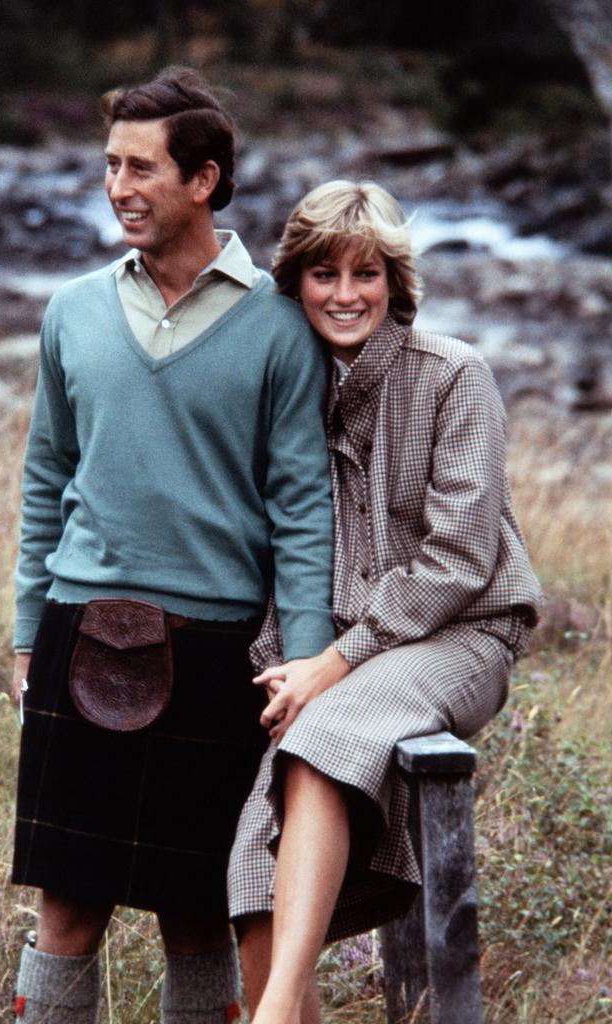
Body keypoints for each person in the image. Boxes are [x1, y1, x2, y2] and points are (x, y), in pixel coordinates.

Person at [7, 69, 336, 1024]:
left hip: (216, 650)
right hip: (80, 629)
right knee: (66, 902)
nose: (118, 187)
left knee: (200, 909)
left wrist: (305, 665)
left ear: (205, 178)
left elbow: (302, 507)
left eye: (142, 168)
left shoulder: (281, 325)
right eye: (110, 165)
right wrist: (30, 631)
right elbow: (44, 479)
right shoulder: (71, 310)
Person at [227, 179, 542, 1024]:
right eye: (324, 274)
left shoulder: (454, 376)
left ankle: (268, 1017)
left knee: (325, 731)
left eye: (365, 275)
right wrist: (289, 663)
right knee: (250, 866)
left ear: (394, 283)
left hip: (463, 638)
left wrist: (331, 664)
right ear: (294, 283)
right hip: (344, 660)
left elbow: (459, 561)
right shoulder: (287, 395)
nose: (345, 295)